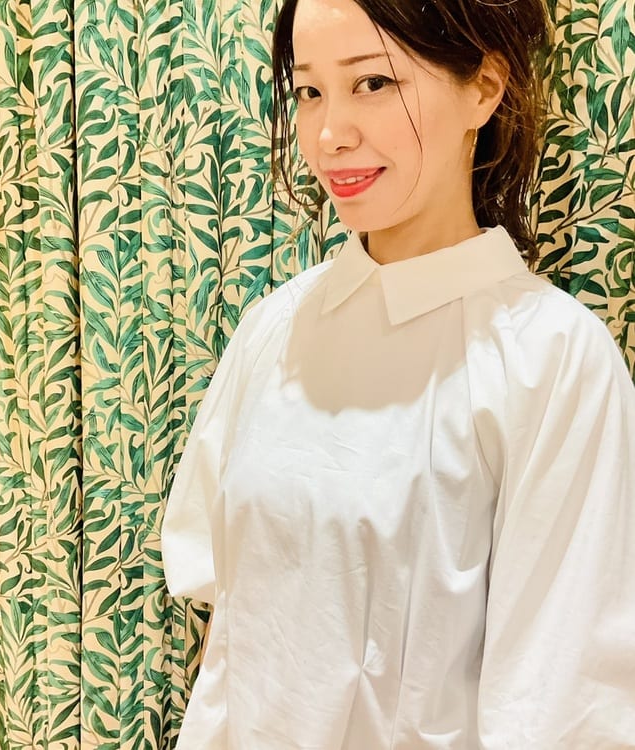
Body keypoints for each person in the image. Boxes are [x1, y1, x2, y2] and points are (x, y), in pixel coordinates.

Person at [161, 0, 635, 746]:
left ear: (483, 89)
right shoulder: (274, 329)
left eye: (373, 83)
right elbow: (232, 627)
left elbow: (556, 703)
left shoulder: (552, 358)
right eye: (309, 90)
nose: (329, 134)